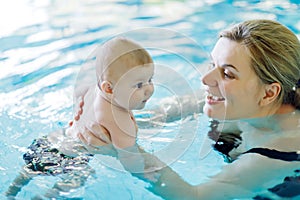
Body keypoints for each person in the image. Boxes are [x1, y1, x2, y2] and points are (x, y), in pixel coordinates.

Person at [75, 19, 300, 199]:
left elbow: (193, 196)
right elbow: (157, 115)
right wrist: (108, 115)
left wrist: (125, 150)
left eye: (227, 74)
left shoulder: (274, 157)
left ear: (269, 93)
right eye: (212, 65)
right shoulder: (234, 100)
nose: (205, 78)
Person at [5, 37, 155, 198]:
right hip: (68, 160)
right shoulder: (120, 120)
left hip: (47, 142)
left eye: (150, 80)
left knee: (29, 170)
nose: (149, 89)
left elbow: (80, 91)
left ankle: (10, 192)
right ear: (109, 89)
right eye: (139, 85)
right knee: (81, 177)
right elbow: (129, 157)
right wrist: (145, 171)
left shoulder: (93, 90)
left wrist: (79, 106)